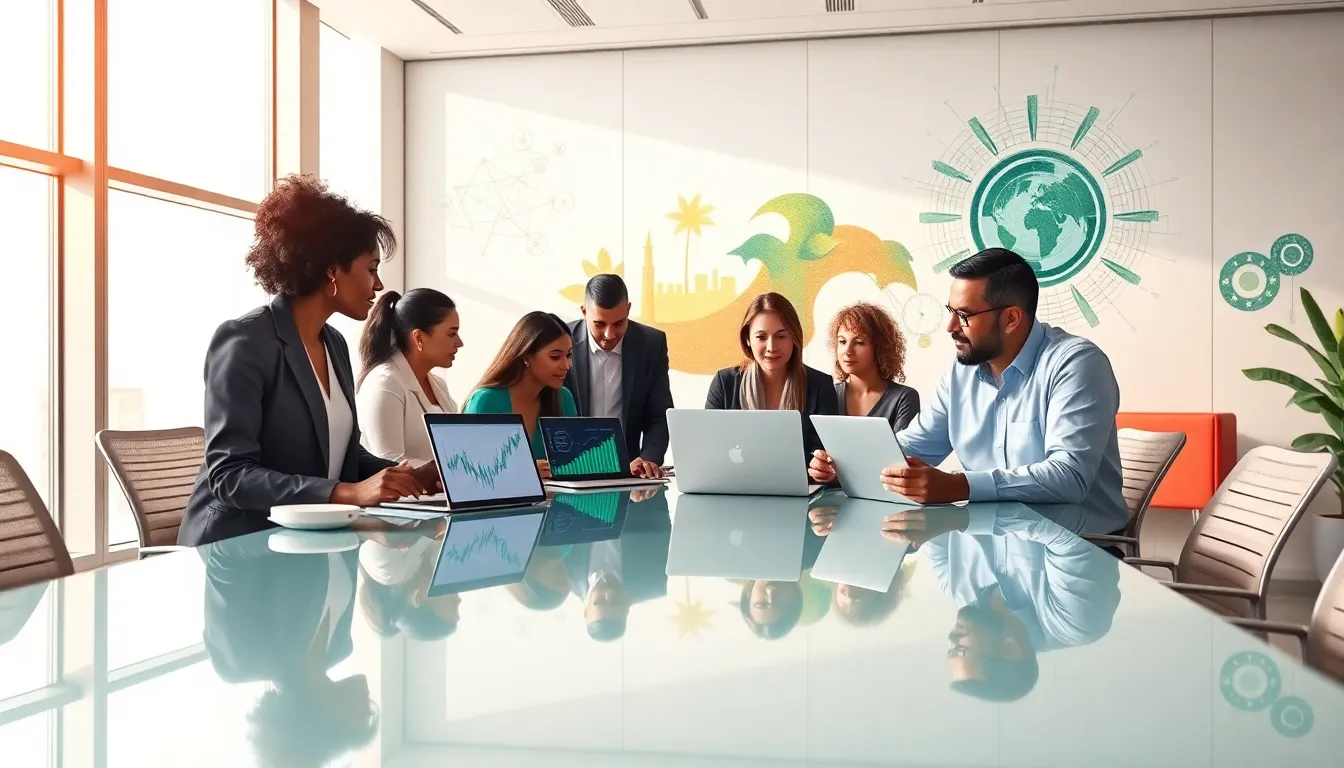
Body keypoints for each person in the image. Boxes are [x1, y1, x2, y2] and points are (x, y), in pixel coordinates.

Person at [180, 175, 437, 547]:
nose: (378, 285)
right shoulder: (245, 341)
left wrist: (416, 476)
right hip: (237, 547)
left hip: (310, 539)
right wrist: (350, 493)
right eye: (370, 268)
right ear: (332, 270)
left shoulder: (334, 344)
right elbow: (230, 476)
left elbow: (341, 459)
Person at [808, 248, 1127, 536]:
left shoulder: (1077, 365)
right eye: (950, 311)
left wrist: (960, 485)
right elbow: (911, 446)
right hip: (991, 548)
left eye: (964, 315)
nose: (950, 327)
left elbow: (1069, 477)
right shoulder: (962, 372)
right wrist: (843, 463)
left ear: (1011, 318)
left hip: (1077, 551)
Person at [880, 502, 1119, 701]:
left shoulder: (957, 591)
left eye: (950, 649)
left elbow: (930, 516)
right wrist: (963, 519)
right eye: (961, 649)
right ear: (1009, 648)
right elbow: (1068, 529)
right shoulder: (1077, 624)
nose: (951, 638)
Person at [203, 532, 380, 766]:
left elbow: (224, 554)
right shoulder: (339, 646)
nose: (370, 711)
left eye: (358, 724)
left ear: (321, 725)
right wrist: (384, 529)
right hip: (319, 500)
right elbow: (339, 547)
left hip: (242, 503)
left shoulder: (243, 660)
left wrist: (306, 526)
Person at [563, 274, 672, 479]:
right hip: (571, 469)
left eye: (619, 323)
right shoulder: (561, 342)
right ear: (584, 312)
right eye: (599, 324)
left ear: (629, 309)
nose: (609, 334)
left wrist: (649, 458)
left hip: (628, 472)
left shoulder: (651, 344)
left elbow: (658, 415)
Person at [705, 292, 839, 459]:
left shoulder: (820, 386)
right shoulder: (725, 384)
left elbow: (826, 453)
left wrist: (822, 466)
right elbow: (710, 449)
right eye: (761, 337)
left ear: (794, 338)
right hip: (736, 484)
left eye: (781, 336)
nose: (771, 347)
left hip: (800, 484)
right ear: (747, 339)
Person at [462, 311, 578, 478]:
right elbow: (471, 473)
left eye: (568, 355)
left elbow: (574, 465)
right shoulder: (486, 400)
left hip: (558, 502)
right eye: (555, 357)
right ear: (526, 357)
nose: (566, 365)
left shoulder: (563, 398)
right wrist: (523, 470)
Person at [356, 288, 463, 464]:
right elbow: (389, 465)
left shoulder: (439, 385)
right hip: (404, 492)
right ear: (419, 337)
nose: (459, 343)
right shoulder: (385, 384)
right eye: (451, 333)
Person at [828, 301, 920, 431]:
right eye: (842, 341)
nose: (848, 351)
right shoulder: (828, 394)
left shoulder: (903, 398)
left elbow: (901, 451)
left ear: (880, 347)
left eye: (859, 342)